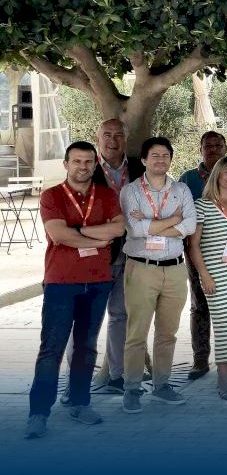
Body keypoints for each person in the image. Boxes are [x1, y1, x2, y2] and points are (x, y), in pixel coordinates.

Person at [25, 142, 125, 439]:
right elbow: (58, 234)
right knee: (52, 349)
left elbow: (118, 229)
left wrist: (78, 231)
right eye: (77, 161)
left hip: (97, 281)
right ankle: (38, 413)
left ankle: (80, 404)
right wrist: (97, 238)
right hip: (61, 282)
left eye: (88, 162)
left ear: (95, 164)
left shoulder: (107, 195)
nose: (83, 167)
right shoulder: (52, 196)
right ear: (66, 164)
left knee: (86, 347)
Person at [118, 137, 196, 414]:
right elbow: (135, 229)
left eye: (165, 155)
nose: (161, 160)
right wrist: (173, 220)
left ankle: (162, 384)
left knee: (168, 332)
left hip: (175, 269)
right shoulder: (131, 191)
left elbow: (190, 225)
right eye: (155, 155)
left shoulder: (181, 189)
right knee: (136, 333)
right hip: (142, 268)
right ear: (144, 160)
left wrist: (152, 224)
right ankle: (132, 388)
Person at [179, 131, 227, 381]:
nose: (213, 149)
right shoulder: (188, 178)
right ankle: (200, 359)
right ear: (200, 148)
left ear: (225, 148)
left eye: (218, 145)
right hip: (201, 255)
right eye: (208, 145)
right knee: (200, 306)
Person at [90, 119, 147, 394]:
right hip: (94, 255)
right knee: (87, 319)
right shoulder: (86, 166)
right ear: (98, 138)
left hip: (131, 254)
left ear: (126, 138)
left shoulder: (139, 168)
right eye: (107, 135)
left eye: (118, 135)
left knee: (120, 315)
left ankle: (117, 376)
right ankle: (76, 382)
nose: (112, 141)